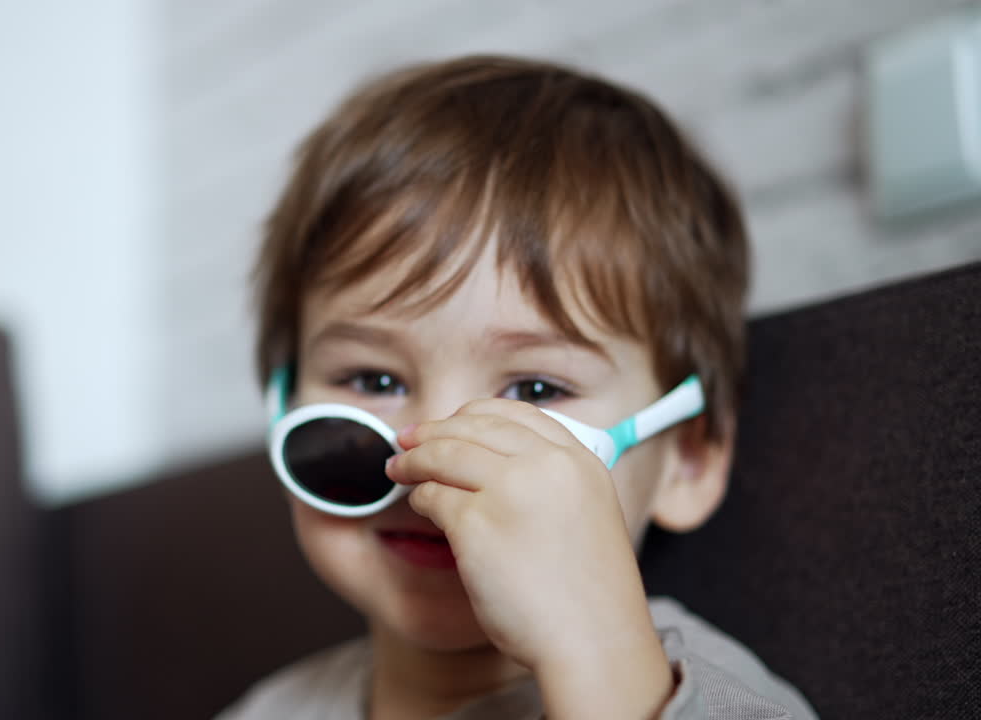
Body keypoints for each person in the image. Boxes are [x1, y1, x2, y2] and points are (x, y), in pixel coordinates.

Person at [220, 55, 817, 719]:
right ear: (282, 406)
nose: (435, 462)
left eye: (534, 390)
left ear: (688, 458)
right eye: (374, 379)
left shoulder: (699, 697)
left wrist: (595, 651)